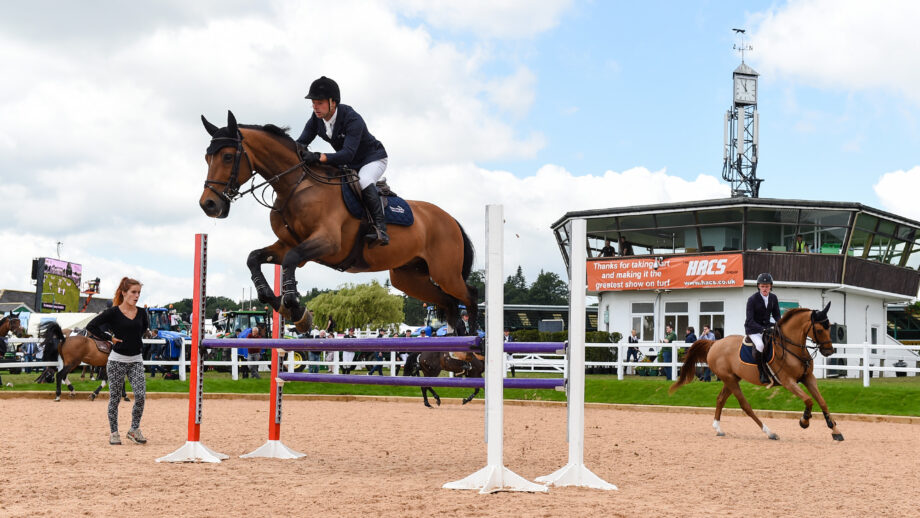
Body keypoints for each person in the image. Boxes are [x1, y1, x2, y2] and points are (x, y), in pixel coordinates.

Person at [296, 76, 390, 246]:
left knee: (364, 180)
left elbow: (347, 154)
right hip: (349, 162)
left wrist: (319, 157)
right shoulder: (316, 118)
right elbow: (301, 143)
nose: (315, 107)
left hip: (372, 158)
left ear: (333, 102)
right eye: (313, 102)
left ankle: (381, 230)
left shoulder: (352, 119)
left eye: (320, 102)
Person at [86, 277, 149, 445]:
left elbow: (143, 330)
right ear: (124, 293)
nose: (136, 296)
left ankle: (134, 429)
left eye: (139, 293)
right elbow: (91, 326)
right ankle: (114, 432)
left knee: (141, 396)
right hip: (116, 361)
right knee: (115, 398)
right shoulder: (113, 312)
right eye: (133, 292)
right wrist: (109, 338)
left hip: (136, 360)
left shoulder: (142, 313)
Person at [745, 272, 782, 386]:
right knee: (760, 346)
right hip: (753, 329)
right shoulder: (752, 299)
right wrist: (762, 329)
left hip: (766, 326)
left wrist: (780, 324)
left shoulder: (773, 298)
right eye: (762, 286)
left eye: (766, 286)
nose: (764, 288)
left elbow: (776, 315)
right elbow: (750, 320)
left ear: (770, 286)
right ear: (758, 286)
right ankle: (762, 373)